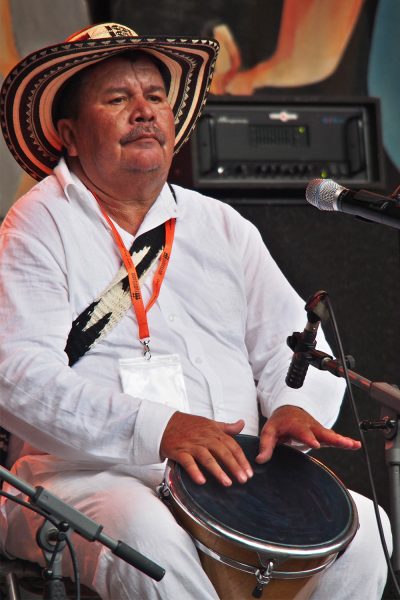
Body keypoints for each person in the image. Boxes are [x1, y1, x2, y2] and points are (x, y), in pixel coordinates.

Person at [0, 22, 392, 600]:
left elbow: (295, 345)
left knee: (365, 532)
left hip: (233, 475)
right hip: (89, 475)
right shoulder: (37, 225)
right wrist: (158, 428)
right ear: (70, 135)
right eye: (118, 99)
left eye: (155, 97)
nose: (144, 111)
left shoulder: (219, 224)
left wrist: (290, 407)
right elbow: (16, 376)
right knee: (143, 535)